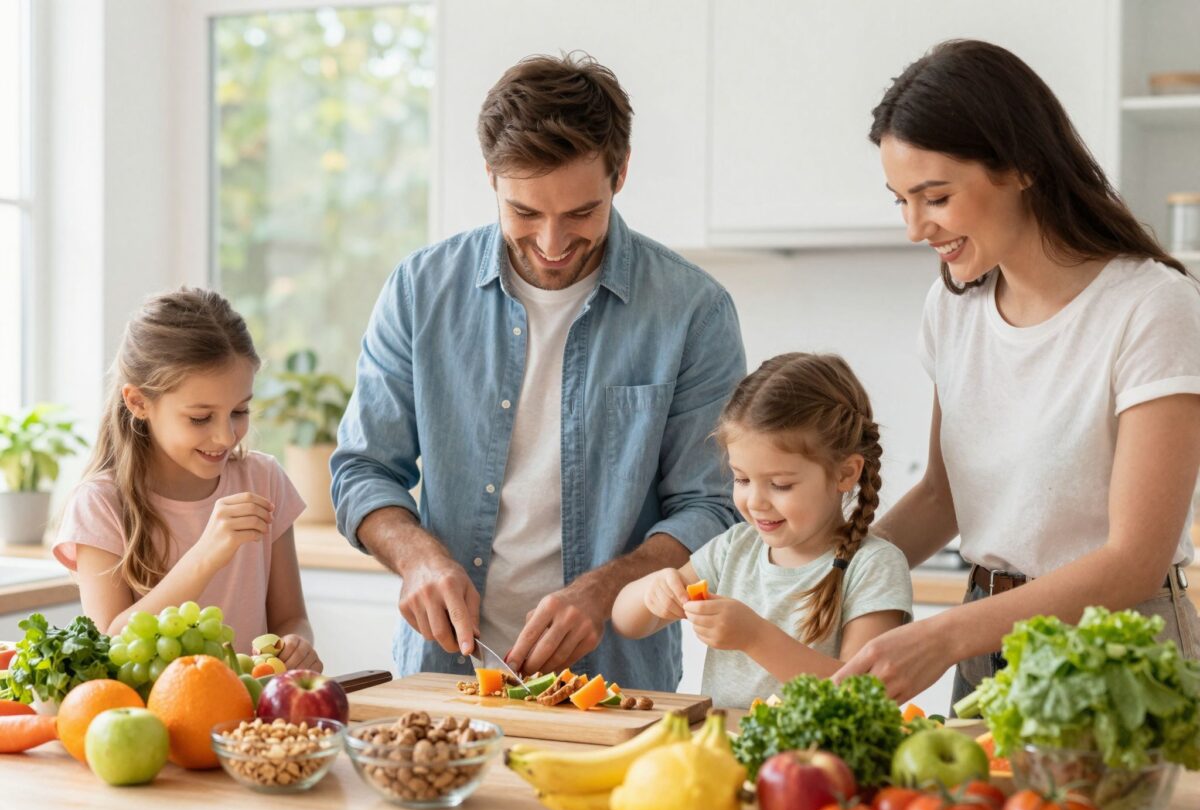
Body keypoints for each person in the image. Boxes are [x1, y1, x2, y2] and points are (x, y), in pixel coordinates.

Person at [331, 53, 746, 690]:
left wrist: (605, 591)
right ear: (491, 178)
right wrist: (416, 557)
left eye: (581, 213)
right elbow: (362, 471)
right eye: (525, 212)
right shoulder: (420, 290)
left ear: (621, 174)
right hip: (445, 677)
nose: (552, 243)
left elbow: (710, 507)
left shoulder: (694, 311)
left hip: (615, 684)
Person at [833, 39, 1200, 706]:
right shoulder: (952, 307)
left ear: (1023, 166)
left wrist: (945, 636)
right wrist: (826, 577)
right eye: (901, 201)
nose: (917, 228)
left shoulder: (1153, 306)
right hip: (988, 645)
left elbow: (1134, 559)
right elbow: (946, 497)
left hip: (1114, 649)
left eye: (935, 196)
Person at [613, 353, 913, 709]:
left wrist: (755, 637)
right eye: (741, 479)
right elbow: (625, 621)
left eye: (780, 485)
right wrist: (654, 591)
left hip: (822, 762)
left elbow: (862, 695)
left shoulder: (874, 566)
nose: (755, 501)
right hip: (724, 753)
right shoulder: (734, 549)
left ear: (846, 474)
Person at [53, 288, 321, 671]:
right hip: (153, 725)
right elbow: (110, 646)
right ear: (139, 402)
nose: (226, 437)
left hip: (248, 723)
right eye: (200, 418)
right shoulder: (100, 504)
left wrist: (297, 644)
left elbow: (291, 618)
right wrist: (206, 554)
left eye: (240, 411)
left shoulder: (264, 480)